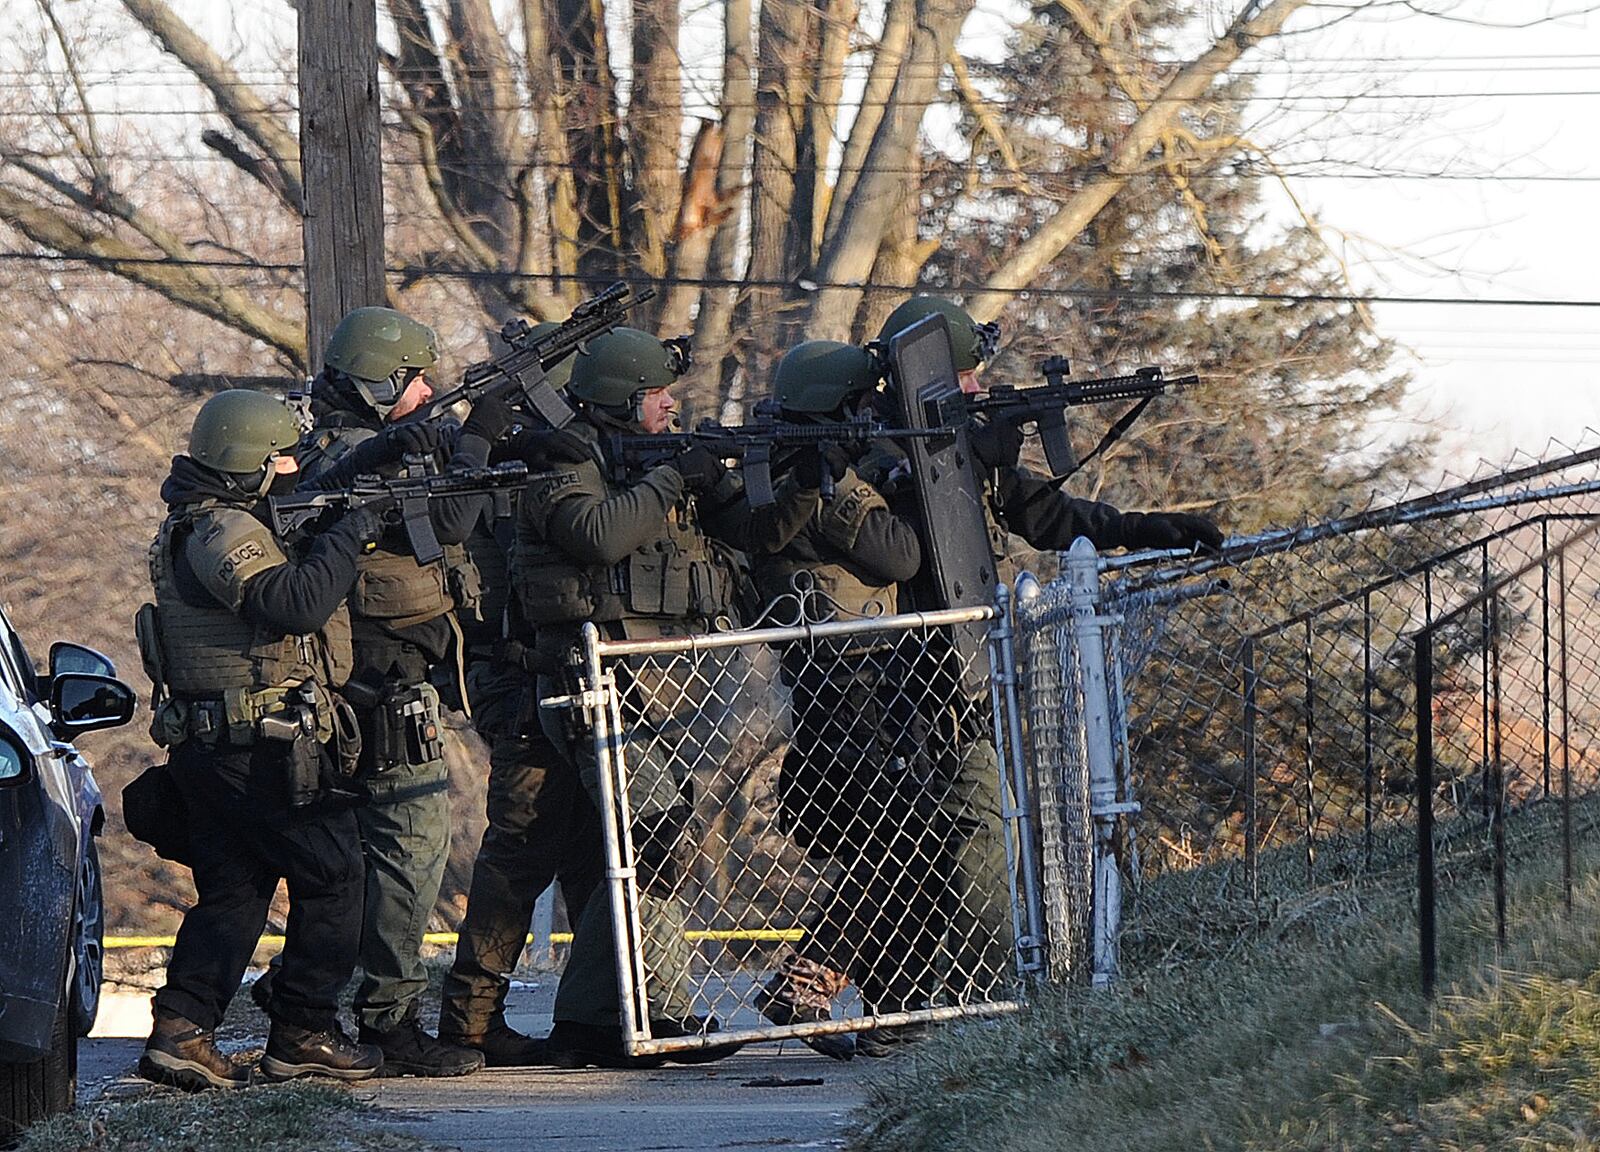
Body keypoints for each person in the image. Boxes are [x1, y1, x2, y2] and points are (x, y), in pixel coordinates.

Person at [869, 295, 1226, 1049]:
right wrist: (945, 455)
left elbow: (1051, 517)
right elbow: (895, 529)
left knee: (957, 835)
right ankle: (966, 1000)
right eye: (962, 379)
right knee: (964, 835)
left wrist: (1143, 531)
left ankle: (919, 1005)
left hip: (965, 674)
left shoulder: (957, 448)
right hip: (904, 679)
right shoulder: (872, 451)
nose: (973, 392)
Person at [511, 327, 816, 1067]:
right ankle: (658, 1014)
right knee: (652, 841)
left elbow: (755, 532)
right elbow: (594, 533)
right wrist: (678, 474)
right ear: (622, 397)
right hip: (597, 691)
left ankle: (589, 1026)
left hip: (669, 692)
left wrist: (805, 476)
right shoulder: (563, 456)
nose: (672, 404)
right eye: (657, 395)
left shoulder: (667, 463)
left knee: (651, 845)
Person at [137, 389, 386, 1089]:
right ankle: (304, 1031)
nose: (292, 467)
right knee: (335, 877)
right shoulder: (218, 531)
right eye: (281, 456)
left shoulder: (206, 520)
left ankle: (183, 1030)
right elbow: (294, 603)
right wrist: (348, 536)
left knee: (237, 890)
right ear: (248, 463)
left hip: (217, 745)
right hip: (254, 748)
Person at [290, 306, 514, 1077]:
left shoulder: (346, 446)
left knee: (367, 860)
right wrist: (481, 429)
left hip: (378, 679)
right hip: (376, 685)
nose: (426, 392)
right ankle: (389, 1021)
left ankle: (339, 1011)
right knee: (411, 850)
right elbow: (449, 518)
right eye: (413, 379)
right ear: (377, 383)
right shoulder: (358, 452)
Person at [747, 340, 929, 1062]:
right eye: (861, 406)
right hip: (845, 679)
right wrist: (853, 477)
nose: (871, 416)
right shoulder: (811, 477)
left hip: (864, 674)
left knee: (895, 842)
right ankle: (810, 980)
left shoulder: (819, 469)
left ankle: (878, 1003)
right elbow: (899, 555)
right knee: (898, 838)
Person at [434, 328, 606, 1066]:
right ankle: (470, 1022)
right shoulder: (495, 476)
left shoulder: (549, 470)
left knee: (599, 858)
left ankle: (599, 1016)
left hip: (571, 686)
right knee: (518, 857)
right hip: (522, 689)